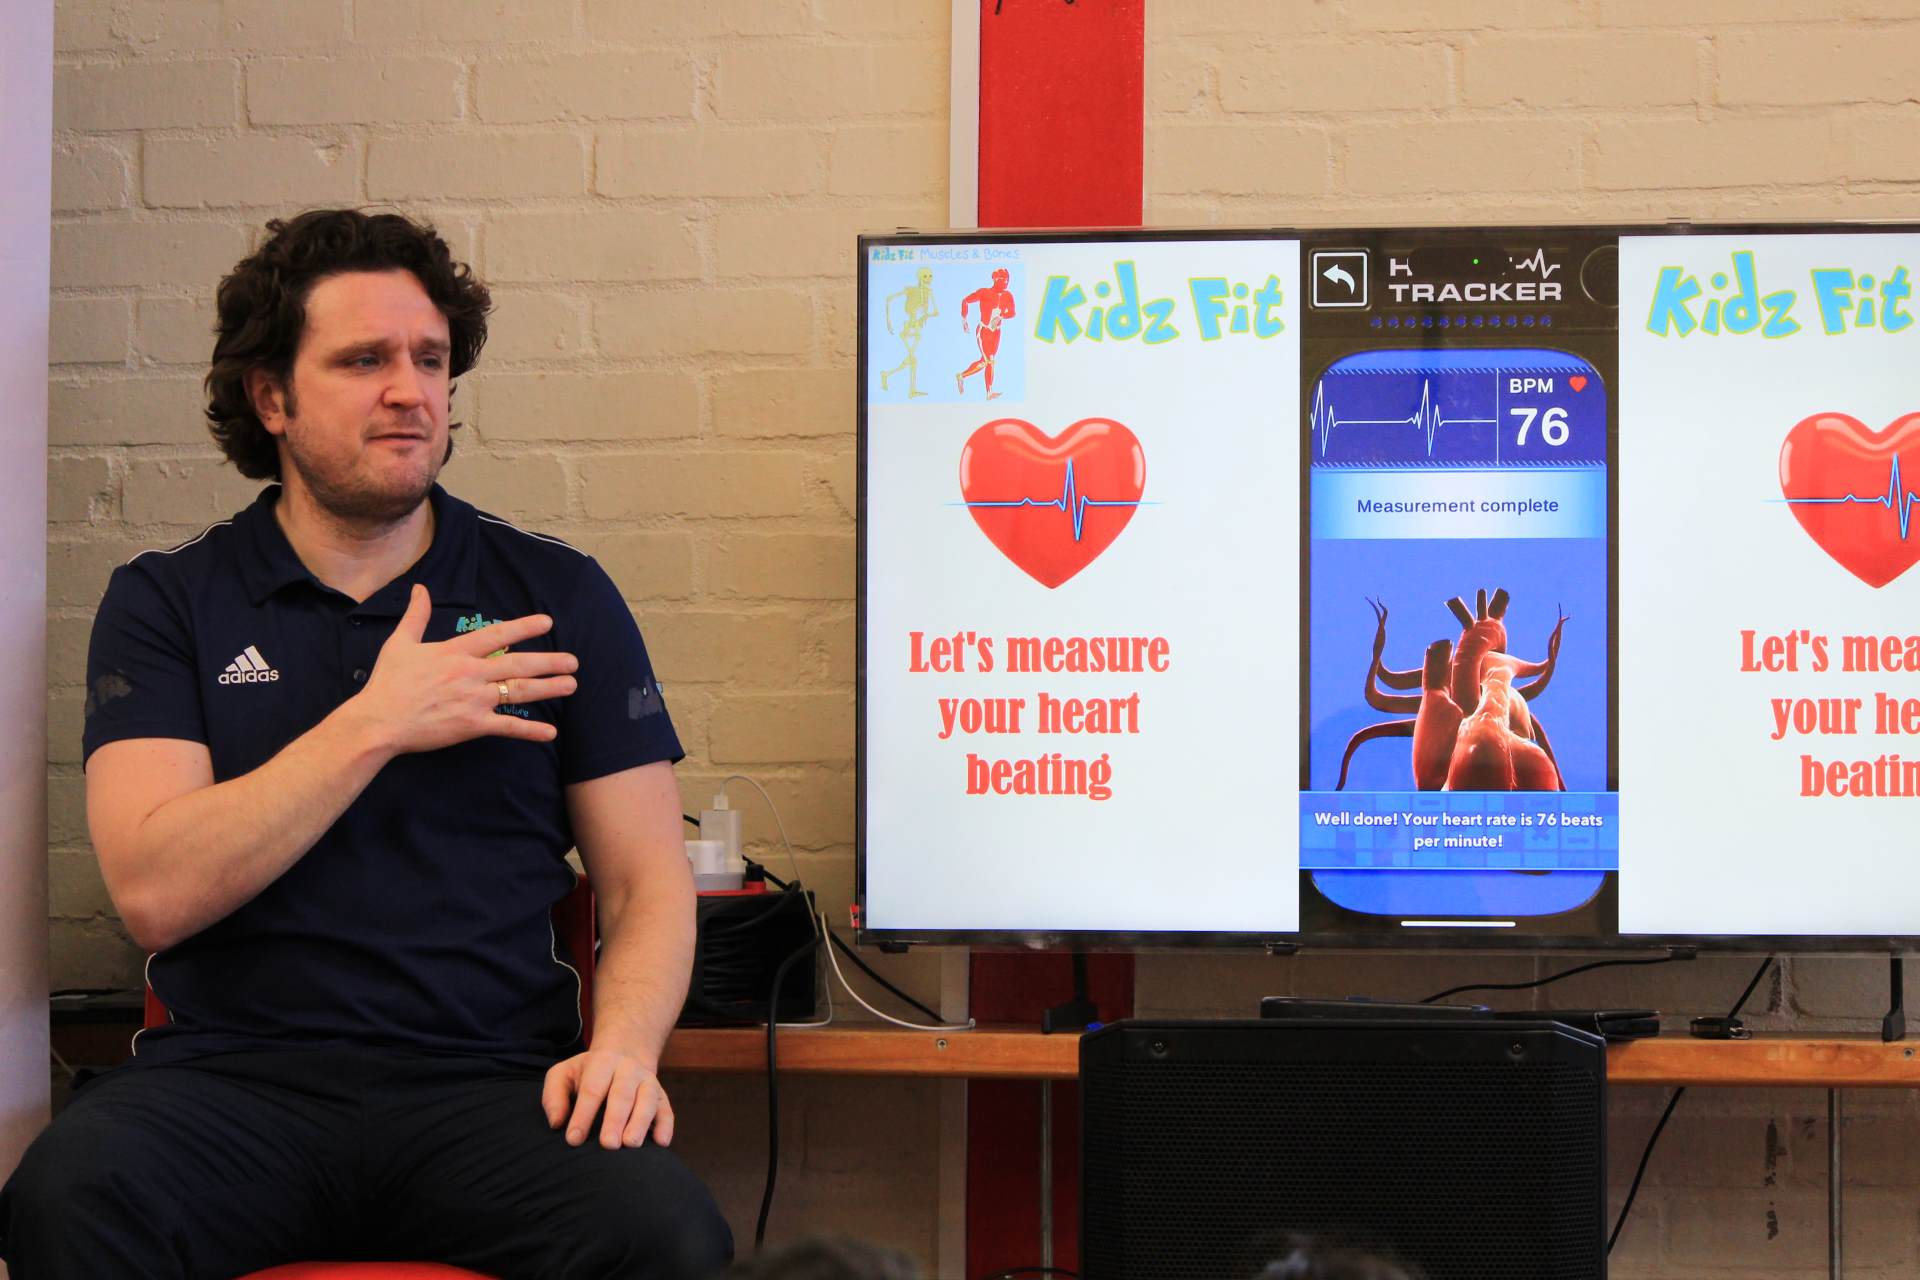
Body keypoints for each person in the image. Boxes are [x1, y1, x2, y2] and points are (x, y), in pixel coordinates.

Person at [0, 209, 732, 1279]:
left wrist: (622, 1051)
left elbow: (645, 883)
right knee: (63, 1202)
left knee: (670, 1234)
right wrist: (377, 721)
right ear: (271, 397)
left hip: (490, 1087)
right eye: (364, 361)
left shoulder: (555, 593)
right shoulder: (169, 601)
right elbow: (155, 891)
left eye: (430, 360)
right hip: (230, 1086)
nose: (409, 391)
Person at [956, 267, 1015, 400]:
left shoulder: (1008, 295)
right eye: (1002, 279)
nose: (1005, 282)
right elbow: (966, 300)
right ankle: (989, 392)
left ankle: (962, 376)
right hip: (984, 331)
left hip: (996, 333)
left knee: (985, 361)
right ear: (995, 279)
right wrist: (964, 320)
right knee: (990, 361)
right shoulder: (984, 292)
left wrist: (1001, 316)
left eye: (1007, 279)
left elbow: (1012, 312)